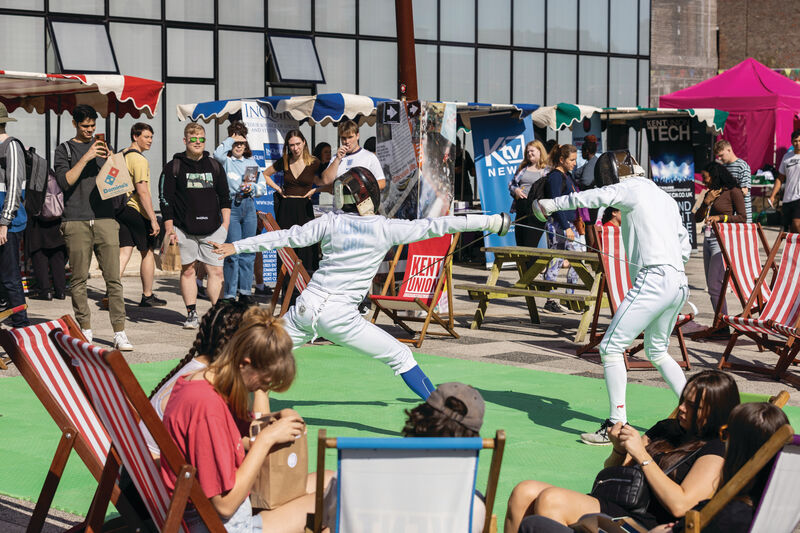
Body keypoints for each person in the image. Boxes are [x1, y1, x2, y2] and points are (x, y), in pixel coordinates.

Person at [210, 167, 511, 400]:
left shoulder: (329, 221)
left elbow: (284, 236)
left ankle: (212, 395)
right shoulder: (386, 229)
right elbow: (442, 224)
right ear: (369, 199)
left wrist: (237, 247)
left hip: (305, 309)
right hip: (340, 318)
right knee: (401, 355)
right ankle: (439, 411)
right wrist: (492, 222)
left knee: (258, 357)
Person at [532, 150, 691, 445]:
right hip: (679, 282)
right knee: (657, 351)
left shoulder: (629, 189)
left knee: (610, 348)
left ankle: (617, 425)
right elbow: (685, 245)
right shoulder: (664, 197)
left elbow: (590, 198)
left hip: (655, 280)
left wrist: (549, 204)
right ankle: (699, 415)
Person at [506, 370, 739, 532]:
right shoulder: (667, 428)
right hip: (616, 504)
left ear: (714, 412)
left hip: (645, 522)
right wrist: (618, 450)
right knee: (523, 491)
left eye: (692, 405)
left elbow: (681, 505)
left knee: (553, 500)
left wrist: (643, 455)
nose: (681, 408)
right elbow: (616, 475)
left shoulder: (715, 450)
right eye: (683, 400)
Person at [160, 307, 326, 532]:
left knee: (331, 481)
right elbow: (225, 506)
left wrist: (274, 420)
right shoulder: (208, 408)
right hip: (221, 524)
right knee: (335, 500)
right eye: (263, 382)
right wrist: (267, 438)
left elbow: (235, 441)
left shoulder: (200, 383)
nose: (262, 389)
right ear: (244, 363)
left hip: (211, 512)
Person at [517, 401, 790, 533]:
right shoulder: (778, 506)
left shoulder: (729, 511)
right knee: (525, 492)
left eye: (725, 433)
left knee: (537, 524)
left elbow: (680, 509)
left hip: (639, 523)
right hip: (629, 514)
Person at [54, 104, 132, 350]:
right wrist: (87, 157)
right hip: (75, 219)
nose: (90, 130)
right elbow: (65, 182)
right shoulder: (64, 149)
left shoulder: (103, 149)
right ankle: (84, 329)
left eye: (92, 126)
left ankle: (120, 332)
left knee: (113, 280)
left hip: (105, 218)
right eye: (85, 126)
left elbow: (116, 185)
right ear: (76, 124)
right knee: (78, 280)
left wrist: (112, 163)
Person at [144, 299, 250, 456]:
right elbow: (236, 441)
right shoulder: (208, 382)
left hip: (140, 466)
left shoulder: (195, 368)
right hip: (162, 473)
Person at [159, 122, 230, 329]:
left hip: (214, 230)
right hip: (183, 230)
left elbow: (225, 197)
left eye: (201, 139)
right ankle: (191, 314)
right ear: (185, 141)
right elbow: (165, 199)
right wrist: (169, 229)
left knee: (216, 272)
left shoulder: (214, 166)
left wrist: (224, 225)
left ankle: (216, 315)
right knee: (188, 271)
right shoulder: (174, 166)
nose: (197, 143)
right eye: (193, 139)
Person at [213, 121, 266, 305]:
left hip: (249, 206)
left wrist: (251, 189)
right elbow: (217, 154)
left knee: (248, 251)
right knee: (232, 252)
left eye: (242, 143)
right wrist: (231, 138)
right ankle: (229, 294)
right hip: (232, 207)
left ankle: (245, 292)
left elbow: (261, 187)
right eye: (236, 144)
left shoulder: (251, 163)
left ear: (246, 145)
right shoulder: (226, 161)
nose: (238, 147)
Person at [261, 129, 324, 277]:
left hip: (305, 209)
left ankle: (305, 287)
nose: (295, 148)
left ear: (304, 143)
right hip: (286, 208)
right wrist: (278, 189)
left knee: (307, 249)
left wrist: (316, 190)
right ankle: (286, 290)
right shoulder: (284, 160)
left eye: (297, 144)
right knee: (286, 248)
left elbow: (326, 179)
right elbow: (265, 174)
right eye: (291, 145)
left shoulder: (314, 162)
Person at [117, 122, 166, 308]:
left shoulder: (122, 154)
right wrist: (153, 219)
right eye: (146, 137)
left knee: (124, 251)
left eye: (151, 137)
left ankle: (111, 293)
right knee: (147, 252)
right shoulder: (139, 160)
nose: (150, 141)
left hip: (121, 210)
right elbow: (142, 191)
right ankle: (147, 295)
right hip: (136, 210)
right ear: (135, 136)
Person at [695, 163, 746, 339]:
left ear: (715, 175)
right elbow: (697, 218)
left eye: (705, 177)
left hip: (722, 241)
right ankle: (720, 323)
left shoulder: (733, 191)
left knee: (716, 283)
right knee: (712, 286)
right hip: (708, 239)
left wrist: (721, 217)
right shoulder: (710, 192)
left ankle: (722, 326)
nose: (703, 180)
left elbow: (742, 217)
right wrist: (706, 203)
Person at [541, 144, 582, 314]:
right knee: (556, 261)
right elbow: (556, 204)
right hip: (559, 225)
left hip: (568, 224)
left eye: (575, 159)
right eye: (571, 160)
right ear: (562, 160)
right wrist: (566, 227)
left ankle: (569, 297)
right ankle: (551, 300)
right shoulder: (556, 177)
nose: (574, 163)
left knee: (577, 259)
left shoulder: (567, 175)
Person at [0, 103, 30, 328]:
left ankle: (22, 324)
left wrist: (4, 222)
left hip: (7, 224)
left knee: (11, 277)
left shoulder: (11, 146)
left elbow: (14, 188)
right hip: (4, 223)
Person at [321, 119, 386, 190]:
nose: (347, 141)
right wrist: (337, 159)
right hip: (340, 201)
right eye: (343, 138)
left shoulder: (369, 157)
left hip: (361, 200)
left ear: (357, 136)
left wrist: (361, 189)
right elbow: (326, 180)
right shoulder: (336, 158)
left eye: (350, 137)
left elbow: (381, 182)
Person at [509, 140, 549, 249]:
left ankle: (532, 265)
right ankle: (523, 266)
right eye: (527, 152)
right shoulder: (523, 168)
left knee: (530, 244)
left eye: (532, 151)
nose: (529, 154)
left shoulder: (546, 170)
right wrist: (516, 190)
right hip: (521, 208)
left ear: (540, 151)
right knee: (520, 242)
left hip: (535, 210)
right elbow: (511, 184)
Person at [770, 129, 800, 233]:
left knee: (797, 223)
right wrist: (773, 195)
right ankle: (795, 249)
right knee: (786, 229)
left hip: (799, 197)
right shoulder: (787, 157)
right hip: (787, 198)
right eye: (796, 141)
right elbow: (780, 178)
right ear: (792, 142)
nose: (798, 143)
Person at [714, 139, 751, 223]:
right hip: (729, 216)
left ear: (729, 150)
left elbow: (744, 191)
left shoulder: (742, 166)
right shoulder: (723, 167)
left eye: (721, 155)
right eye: (718, 156)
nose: (719, 158)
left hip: (742, 216)